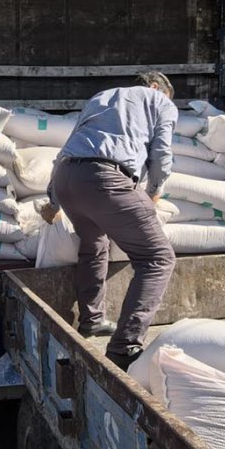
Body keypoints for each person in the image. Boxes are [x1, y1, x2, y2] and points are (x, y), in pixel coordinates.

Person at [39, 71, 178, 370]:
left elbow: (68, 146)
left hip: (67, 177)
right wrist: (153, 191)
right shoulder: (159, 101)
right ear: (156, 88)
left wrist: (53, 200)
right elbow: (162, 151)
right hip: (107, 178)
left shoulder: (100, 97)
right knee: (157, 257)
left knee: (94, 242)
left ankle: (92, 320)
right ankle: (124, 347)